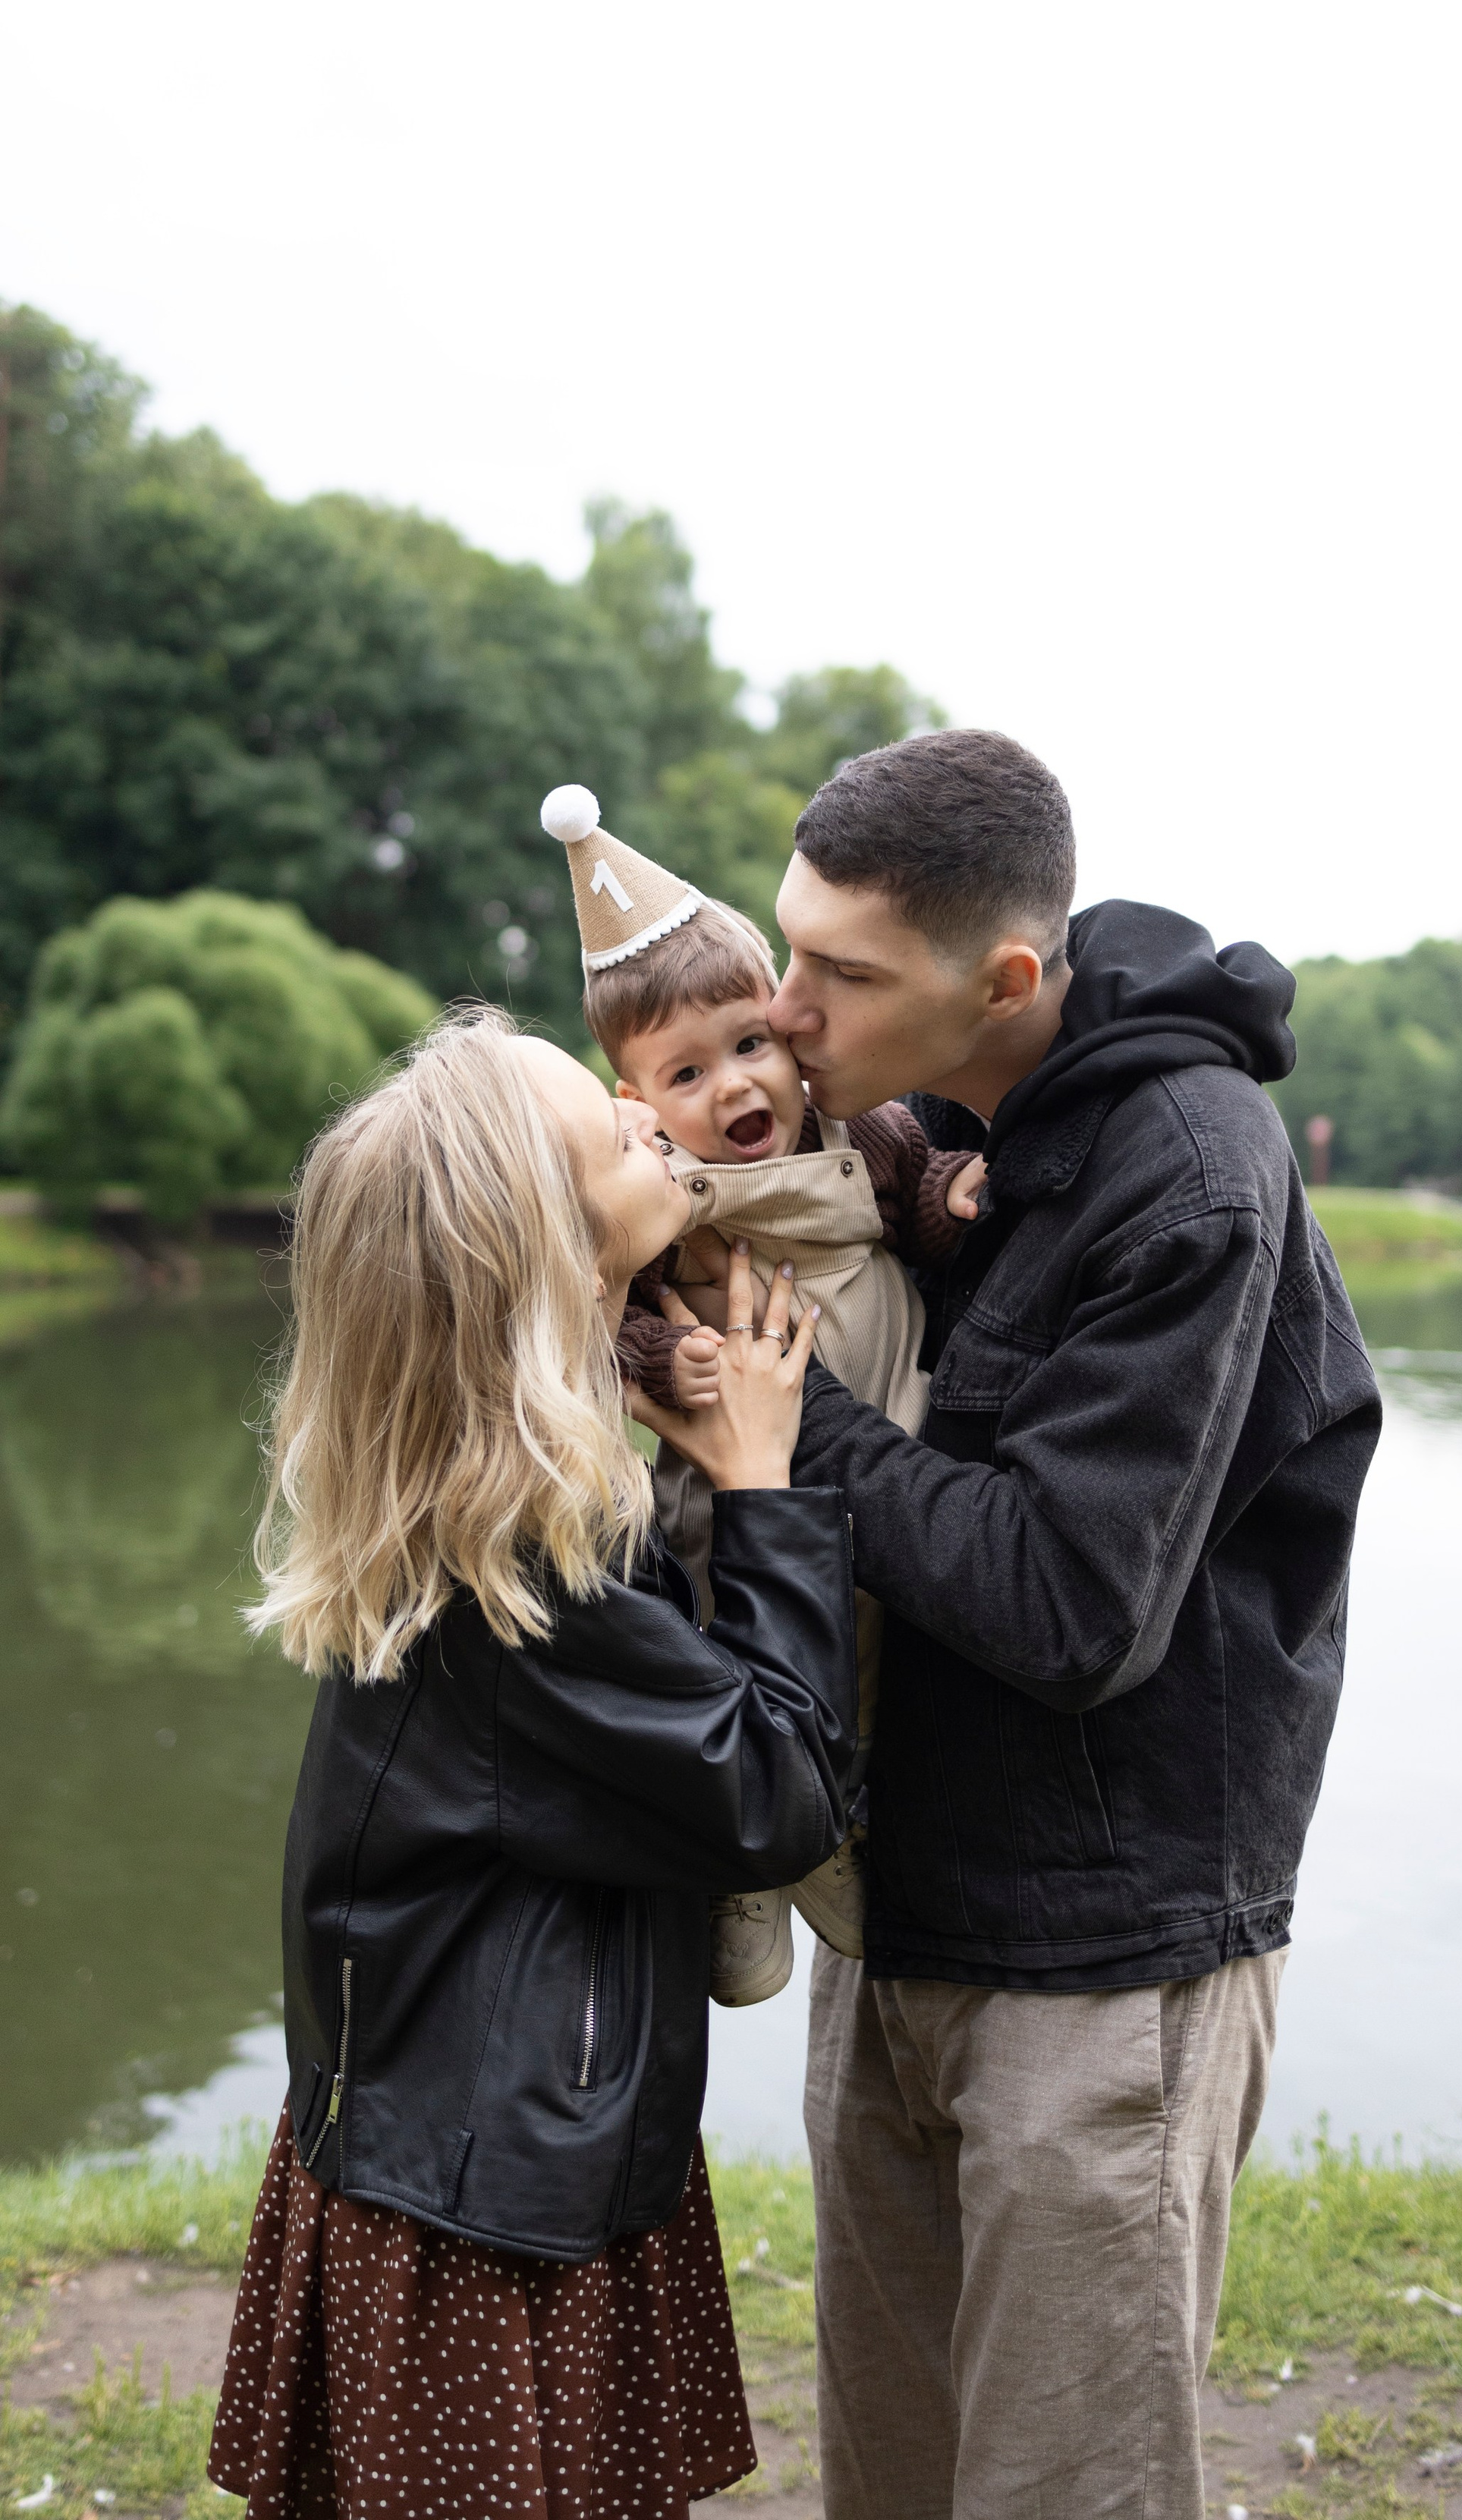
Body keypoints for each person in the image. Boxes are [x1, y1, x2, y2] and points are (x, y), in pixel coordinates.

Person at [756, 728, 1383, 2520]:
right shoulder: (942, 1109)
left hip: (1103, 1963)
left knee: (1060, 2492)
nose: (790, 1004)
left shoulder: (1187, 1170)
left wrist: (784, 1416)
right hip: (898, 1907)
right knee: (892, 2478)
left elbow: (1065, 1599)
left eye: (839, 973)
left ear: (1005, 978)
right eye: (791, 946)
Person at [207, 1008, 854, 2520]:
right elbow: (772, 1789)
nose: (648, 1115)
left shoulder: (486, 1491)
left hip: (475, 2157)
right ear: (542, 1253)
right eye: (606, 1130)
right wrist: (762, 1491)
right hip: (488, 2219)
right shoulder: (517, 1559)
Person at [537, 782, 986, 2007]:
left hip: (885, 1437)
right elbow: (602, 1303)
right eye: (688, 1072)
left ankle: (835, 1836)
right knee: (759, 1642)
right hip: (740, 1470)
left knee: (880, 1657)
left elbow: (921, 1192)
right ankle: (743, 1872)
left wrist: (954, 1200)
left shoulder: (864, 1134)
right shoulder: (655, 1187)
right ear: (638, 1105)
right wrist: (654, 1360)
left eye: (750, 1044)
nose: (736, 1085)